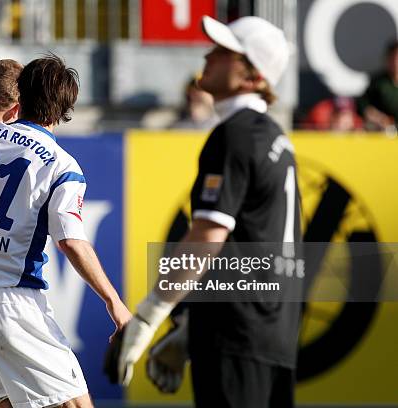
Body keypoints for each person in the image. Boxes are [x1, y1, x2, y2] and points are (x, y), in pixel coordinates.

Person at [0, 54, 132, 408]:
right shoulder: (62, 167)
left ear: (21, 97)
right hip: (11, 303)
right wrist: (114, 302)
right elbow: (71, 241)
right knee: (73, 403)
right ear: (65, 109)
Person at [109, 16, 303, 408]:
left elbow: (207, 238)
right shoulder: (272, 135)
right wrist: (193, 327)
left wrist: (149, 315)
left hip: (236, 334)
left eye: (225, 51)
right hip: (271, 333)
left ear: (253, 77)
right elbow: (257, 244)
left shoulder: (234, 134)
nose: (208, 54)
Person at [357, 40, 398, 132]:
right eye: (393, 58)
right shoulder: (379, 82)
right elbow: (363, 105)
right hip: (383, 133)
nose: (396, 62)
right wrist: (379, 118)